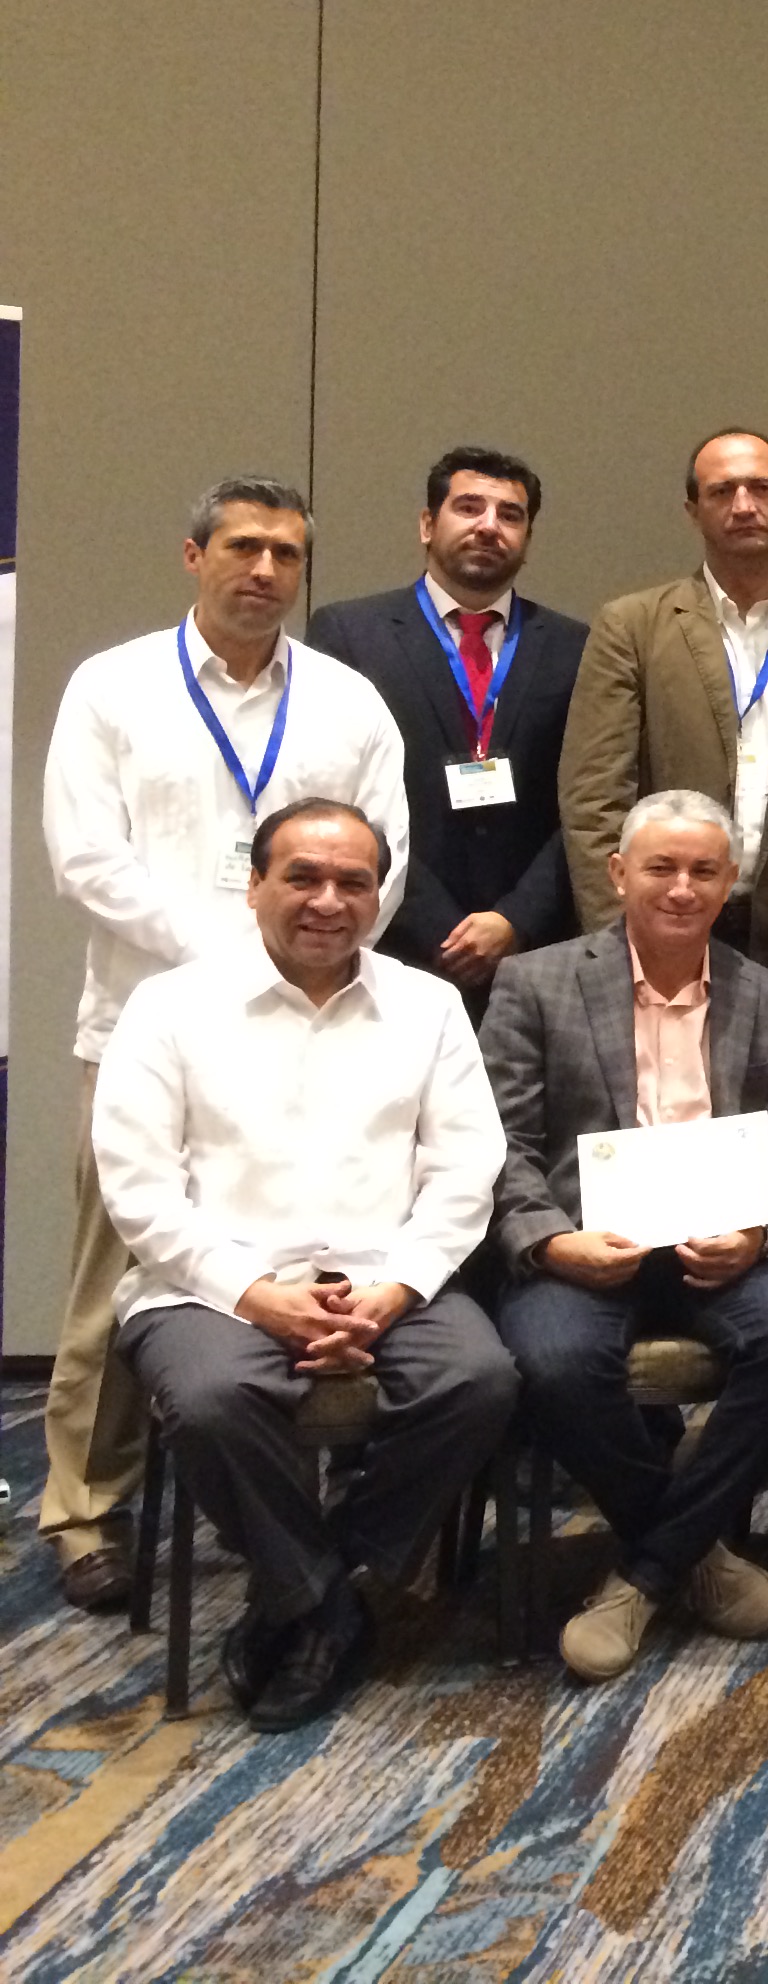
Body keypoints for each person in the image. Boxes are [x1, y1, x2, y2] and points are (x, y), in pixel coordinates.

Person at [37, 476, 411, 1616]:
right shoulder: (113, 687)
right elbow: (85, 856)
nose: (265, 570)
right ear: (193, 556)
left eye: (286, 554)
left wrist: (290, 963)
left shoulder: (346, 702)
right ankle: (86, 1510)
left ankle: (279, 1496)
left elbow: (385, 858)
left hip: (315, 1027)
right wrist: (233, 955)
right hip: (146, 1026)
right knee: (119, 1271)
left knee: (315, 1240)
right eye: (243, 547)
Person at [95, 799, 514, 1731]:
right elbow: (138, 1188)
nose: (328, 901)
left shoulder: (429, 1006)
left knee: (479, 1379)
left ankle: (315, 1580)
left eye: (353, 882)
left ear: (379, 896)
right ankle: (324, 1603)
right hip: (211, 1285)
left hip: (386, 1275)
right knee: (212, 1400)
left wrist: (393, 1291)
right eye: (303, 877)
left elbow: (465, 1171)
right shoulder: (169, 1007)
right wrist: (256, 1296)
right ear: (254, 886)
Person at [478, 789, 768, 1681]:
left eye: (704, 871)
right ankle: (692, 1551)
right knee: (554, 1360)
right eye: (662, 867)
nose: (682, 888)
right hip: (583, 1244)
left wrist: (759, 1229)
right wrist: (551, 1243)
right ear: (617, 873)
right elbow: (500, 1145)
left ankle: (642, 1573)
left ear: (730, 882)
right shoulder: (535, 982)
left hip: (722, 1243)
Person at [561, 428, 768, 977]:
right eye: (722, 491)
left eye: (761, 488)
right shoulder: (633, 627)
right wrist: (615, 934)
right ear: (693, 511)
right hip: (662, 921)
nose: (743, 506)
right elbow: (595, 798)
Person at [308, 445, 589, 1011]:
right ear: (427, 525)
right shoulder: (350, 633)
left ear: (527, 538)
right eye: (469, 507)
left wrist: (516, 918)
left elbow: (587, 800)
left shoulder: (575, 646)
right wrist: (435, 923)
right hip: (395, 942)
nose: (489, 526)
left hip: (533, 955)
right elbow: (336, 793)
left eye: (510, 515)